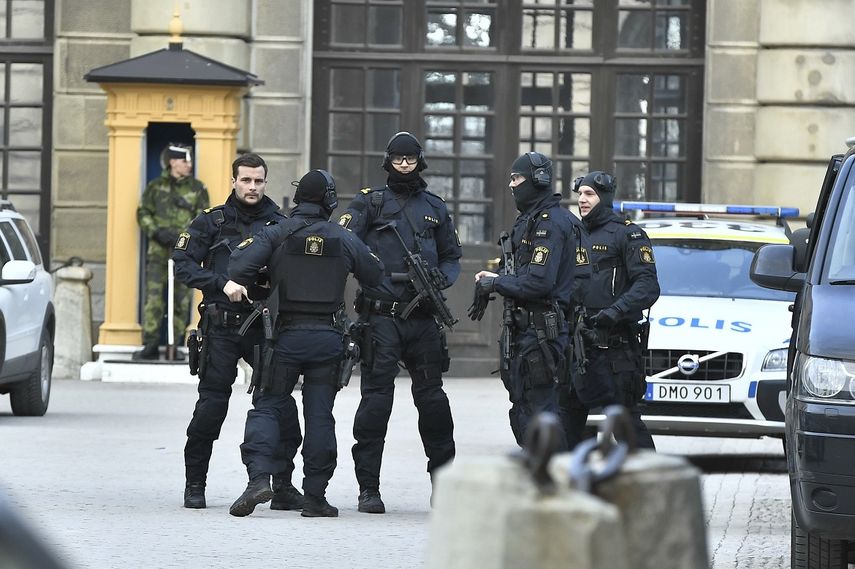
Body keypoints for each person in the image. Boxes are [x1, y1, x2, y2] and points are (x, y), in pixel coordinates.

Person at [227, 169, 384, 518]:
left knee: (268, 405)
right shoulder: (343, 238)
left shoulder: (277, 232)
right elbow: (375, 276)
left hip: (284, 338)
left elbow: (238, 264)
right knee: (319, 416)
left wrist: (267, 277)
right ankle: (315, 496)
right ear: (329, 201)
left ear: (298, 199)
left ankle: (258, 479)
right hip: (327, 340)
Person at [171, 153, 303, 510]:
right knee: (212, 406)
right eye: (245, 180)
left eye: (258, 181)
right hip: (222, 325)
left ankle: (279, 485)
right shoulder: (211, 222)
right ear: (233, 181)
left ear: (265, 182)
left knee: (278, 405)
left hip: (263, 327)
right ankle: (195, 483)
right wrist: (220, 282)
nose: (252, 187)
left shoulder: (280, 223)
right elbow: (181, 264)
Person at [338, 131, 461, 514]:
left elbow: (452, 256)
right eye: (398, 159)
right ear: (388, 161)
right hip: (381, 317)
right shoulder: (369, 202)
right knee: (376, 403)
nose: (404, 165)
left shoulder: (435, 207)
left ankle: (444, 486)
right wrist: (370, 271)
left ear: (419, 161)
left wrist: (443, 277)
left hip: (423, 318)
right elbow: (343, 242)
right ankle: (368, 489)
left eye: (410, 160)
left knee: (434, 403)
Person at [469, 151, 579, 449]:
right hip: (525, 330)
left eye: (516, 178)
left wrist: (496, 283)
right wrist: (494, 279)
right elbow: (516, 269)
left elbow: (538, 282)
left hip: (542, 331)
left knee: (540, 413)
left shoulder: (550, 224)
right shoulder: (528, 222)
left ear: (537, 180)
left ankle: (555, 485)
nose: (512, 185)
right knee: (524, 410)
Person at [561, 171, 659, 449]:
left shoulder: (628, 234)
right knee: (569, 426)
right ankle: (574, 489)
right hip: (576, 348)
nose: (582, 199)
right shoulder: (572, 234)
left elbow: (648, 286)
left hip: (613, 349)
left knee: (626, 427)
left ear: (604, 197)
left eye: (589, 194)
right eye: (580, 194)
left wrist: (614, 312)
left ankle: (652, 488)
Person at [135, 143, 210, 360]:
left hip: (184, 254)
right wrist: (156, 232)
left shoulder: (197, 188)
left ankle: (175, 344)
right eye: (185, 160)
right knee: (154, 298)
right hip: (158, 252)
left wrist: (182, 236)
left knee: (181, 299)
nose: (189, 165)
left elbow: (203, 218)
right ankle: (150, 344)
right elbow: (143, 212)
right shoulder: (155, 187)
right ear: (173, 162)